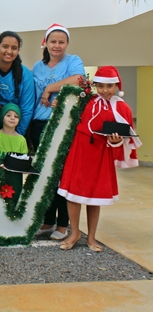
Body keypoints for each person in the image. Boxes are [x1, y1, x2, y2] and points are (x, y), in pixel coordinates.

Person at [57, 66, 141, 252]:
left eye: (109, 86)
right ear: (94, 85)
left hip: (100, 154)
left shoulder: (122, 108)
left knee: (95, 196)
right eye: (101, 86)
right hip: (79, 151)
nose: (105, 90)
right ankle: (75, 233)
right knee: (73, 194)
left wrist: (116, 142)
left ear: (117, 86)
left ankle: (92, 237)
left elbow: (125, 138)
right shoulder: (85, 101)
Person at [31, 23, 84, 241]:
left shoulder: (73, 61)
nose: (57, 45)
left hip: (61, 124)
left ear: (67, 44)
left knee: (62, 175)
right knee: (44, 175)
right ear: (46, 42)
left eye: (61, 42)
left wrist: (50, 88)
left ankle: (63, 225)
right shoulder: (37, 66)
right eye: (53, 41)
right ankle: (47, 220)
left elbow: (79, 80)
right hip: (39, 124)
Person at [0, 31, 35, 135]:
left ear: (18, 50)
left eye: (14, 48)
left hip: (13, 128)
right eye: (5, 46)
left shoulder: (25, 74)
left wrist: (16, 136)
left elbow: (27, 109)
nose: (9, 51)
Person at [0, 103, 29, 207]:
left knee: (14, 199)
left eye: (16, 116)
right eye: (8, 115)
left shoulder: (21, 139)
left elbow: (24, 158)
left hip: (15, 177)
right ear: (2, 117)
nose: (12, 118)